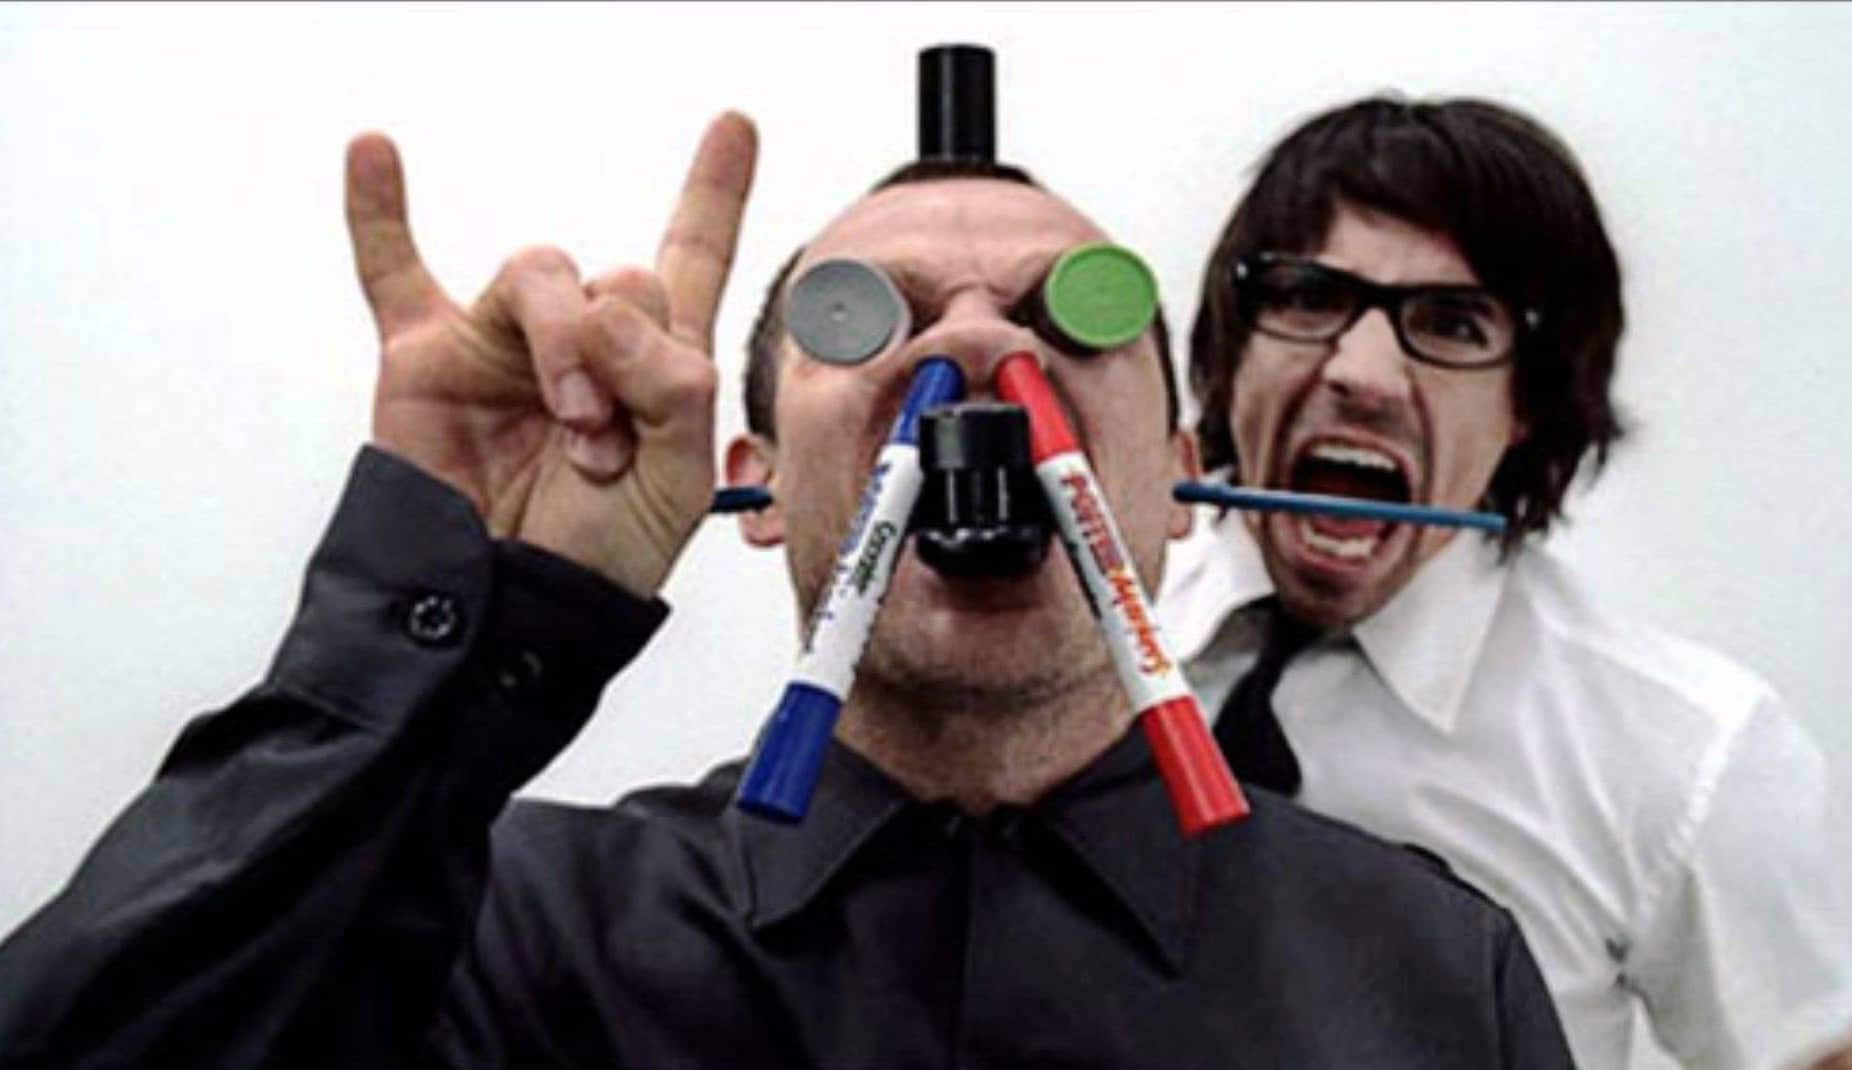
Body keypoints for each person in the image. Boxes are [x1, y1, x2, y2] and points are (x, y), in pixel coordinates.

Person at [0, 109, 1575, 1068]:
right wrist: (455, 602)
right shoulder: (505, 918)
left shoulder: (1431, 965)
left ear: (1175, 477)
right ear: (749, 476)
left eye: (1069, 315)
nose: (978, 345)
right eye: (861, 315)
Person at [1159, 95, 1852, 1070]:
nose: (1362, 372)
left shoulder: (1687, 746)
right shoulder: (1065, 630)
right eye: (1309, 296)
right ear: (1233, 349)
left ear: (1529, 398)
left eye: (1451, 321)